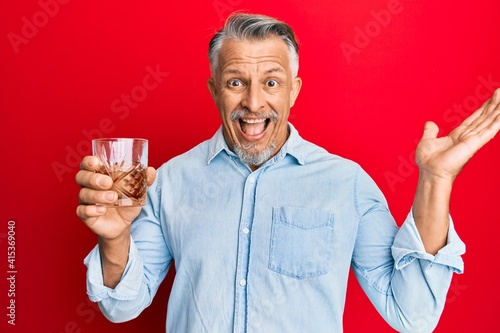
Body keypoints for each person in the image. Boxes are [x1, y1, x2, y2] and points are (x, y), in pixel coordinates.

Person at [76, 13, 500, 332]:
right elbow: (122, 306)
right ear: (214, 90)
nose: (255, 103)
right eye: (236, 82)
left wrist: (436, 180)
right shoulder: (168, 181)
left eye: (272, 83)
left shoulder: (345, 183)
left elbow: (414, 313)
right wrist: (114, 239)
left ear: (295, 90)